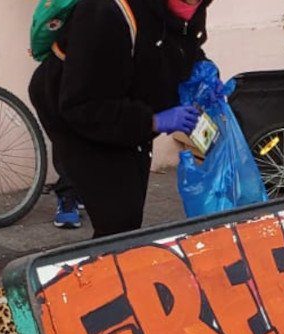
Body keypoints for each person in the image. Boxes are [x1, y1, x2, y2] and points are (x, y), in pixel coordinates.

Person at [29, 0, 209, 238]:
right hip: (75, 110)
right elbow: (82, 105)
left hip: (128, 103)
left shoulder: (188, 7)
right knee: (118, 220)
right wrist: (152, 121)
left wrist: (202, 69)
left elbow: (179, 44)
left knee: (127, 211)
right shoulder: (104, 11)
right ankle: (98, 268)